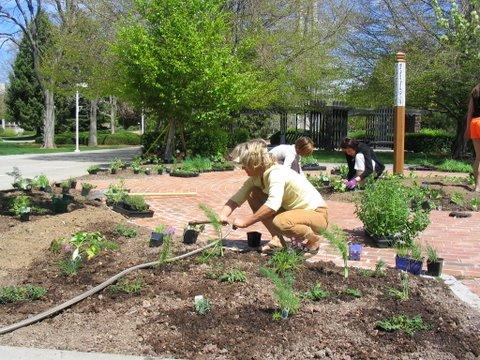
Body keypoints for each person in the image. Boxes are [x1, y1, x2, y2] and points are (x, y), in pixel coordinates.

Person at [219, 141, 328, 254]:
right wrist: (223, 214)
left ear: (254, 163)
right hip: (296, 212)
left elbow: (272, 206)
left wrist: (245, 222)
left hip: (317, 214)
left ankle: (313, 238)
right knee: (253, 194)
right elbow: (236, 198)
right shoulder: (256, 177)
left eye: (244, 165)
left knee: (281, 222)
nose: (242, 168)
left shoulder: (276, 173)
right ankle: (277, 240)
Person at [465, 84, 480, 192]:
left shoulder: (475, 90)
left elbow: (470, 111)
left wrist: (467, 129)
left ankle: (477, 186)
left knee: (478, 156)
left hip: (475, 123)